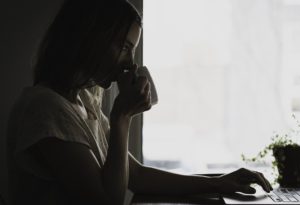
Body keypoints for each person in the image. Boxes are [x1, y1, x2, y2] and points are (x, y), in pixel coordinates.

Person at [6, 0, 272, 204]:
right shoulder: (46, 109)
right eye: (123, 46)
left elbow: (137, 175)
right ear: (89, 38)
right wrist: (122, 117)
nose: (131, 62)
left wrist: (217, 182)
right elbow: (107, 202)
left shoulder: (84, 102)